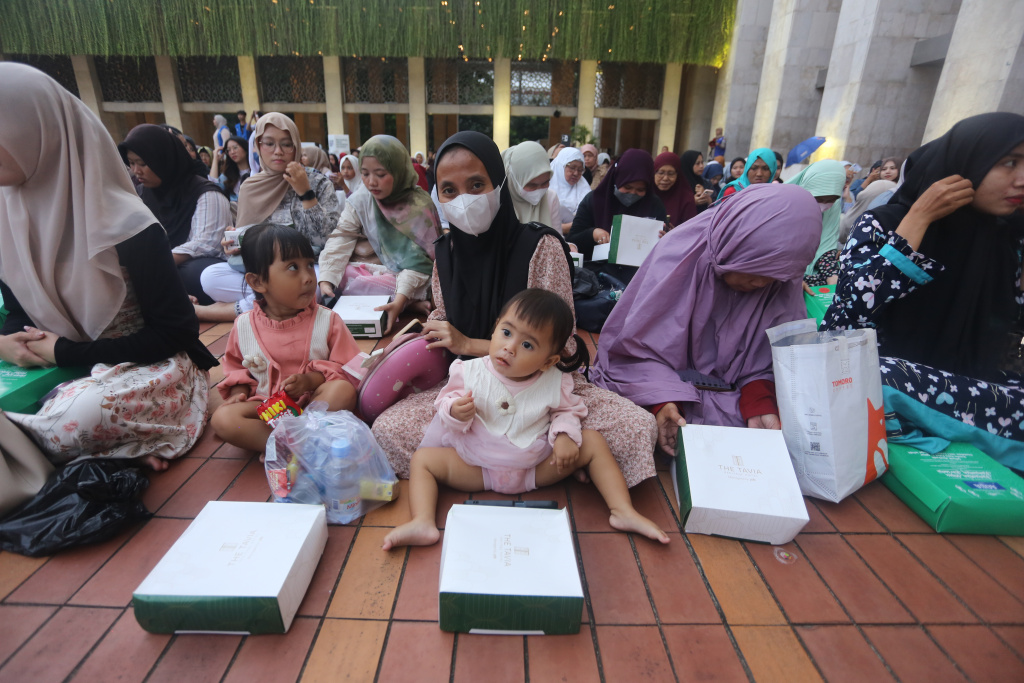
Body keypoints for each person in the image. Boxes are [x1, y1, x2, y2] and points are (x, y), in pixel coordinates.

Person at [370, 131, 658, 488]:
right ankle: (543, 465)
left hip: (544, 387)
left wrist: (469, 344)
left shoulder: (541, 247)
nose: (464, 200)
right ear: (438, 196)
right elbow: (444, 316)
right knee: (388, 431)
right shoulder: (446, 253)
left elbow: (564, 349)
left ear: (500, 183)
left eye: (477, 184)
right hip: (475, 389)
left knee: (636, 428)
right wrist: (431, 330)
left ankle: (480, 465)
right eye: (449, 190)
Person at [0, 63, 217, 470]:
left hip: (141, 369)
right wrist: (9, 341)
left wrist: (67, 352)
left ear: (36, 130)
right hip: (58, 366)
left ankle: (63, 444)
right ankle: (116, 448)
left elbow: (176, 332)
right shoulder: (5, 221)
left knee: (83, 415)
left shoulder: (126, 224)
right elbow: (16, 312)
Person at [381, 289, 670, 549]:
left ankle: (623, 511)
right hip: (476, 466)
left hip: (536, 467)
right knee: (424, 460)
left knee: (592, 441)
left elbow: (567, 411)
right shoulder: (468, 371)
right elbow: (443, 403)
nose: (510, 347)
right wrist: (455, 411)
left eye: (528, 345)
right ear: (495, 328)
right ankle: (422, 521)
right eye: (506, 333)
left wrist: (565, 436)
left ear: (549, 361)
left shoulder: (554, 381)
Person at [823, 112, 1024, 467]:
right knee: (874, 376)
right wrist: (918, 219)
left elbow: (1008, 342)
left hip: (974, 394)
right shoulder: (883, 224)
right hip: (884, 390)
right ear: (966, 163)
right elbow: (844, 323)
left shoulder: (1008, 240)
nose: (1021, 179)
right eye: (1009, 162)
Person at [592, 184, 822, 454]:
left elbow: (775, 360)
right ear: (733, 243)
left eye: (773, 278)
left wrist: (759, 401)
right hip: (661, 392)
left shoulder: (784, 279)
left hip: (737, 405)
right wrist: (662, 401)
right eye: (755, 269)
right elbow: (631, 351)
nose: (761, 284)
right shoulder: (677, 256)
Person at [211, 224, 359, 453]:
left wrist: (310, 381)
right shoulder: (243, 325)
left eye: (309, 265)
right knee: (223, 419)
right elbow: (236, 369)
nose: (308, 277)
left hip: (313, 406)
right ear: (258, 282)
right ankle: (295, 447)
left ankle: (285, 447)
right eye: (292, 267)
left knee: (342, 391)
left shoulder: (327, 320)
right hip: (266, 408)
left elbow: (348, 369)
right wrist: (237, 393)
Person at [197, 113, 341, 320]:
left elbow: (327, 240)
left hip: (305, 269)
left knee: (317, 284)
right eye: (269, 144)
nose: (278, 151)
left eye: (286, 144)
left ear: (296, 146)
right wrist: (232, 245)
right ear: (257, 146)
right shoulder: (251, 187)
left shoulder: (318, 182)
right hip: (264, 271)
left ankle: (217, 312)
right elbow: (245, 242)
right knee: (210, 277)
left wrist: (305, 193)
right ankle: (280, 303)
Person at [318, 135, 441, 332]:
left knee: (427, 285)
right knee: (342, 273)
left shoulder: (419, 206)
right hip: (383, 272)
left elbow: (422, 264)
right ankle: (409, 304)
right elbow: (341, 237)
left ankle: (403, 302)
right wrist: (327, 279)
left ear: (398, 171)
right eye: (365, 174)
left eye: (380, 174)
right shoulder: (361, 199)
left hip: (416, 277)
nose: (371, 182)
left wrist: (400, 298)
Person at [118, 124, 231, 305]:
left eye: (143, 163)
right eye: (131, 163)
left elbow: (206, 242)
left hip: (187, 266)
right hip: (154, 265)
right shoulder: (140, 195)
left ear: (164, 159)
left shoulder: (206, 193)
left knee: (196, 272)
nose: (136, 171)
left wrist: (156, 262)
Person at [569, 149, 668, 284]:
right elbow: (573, 240)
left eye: (640, 190)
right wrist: (593, 233)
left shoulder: (654, 205)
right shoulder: (594, 200)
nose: (632, 193)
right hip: (596, 278)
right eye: (627, 187)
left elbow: (663, 249)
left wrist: (664, 238)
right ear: (617, 179)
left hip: (640, 278)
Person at [783, 160, 847, 288]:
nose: (824, 205)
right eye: (819, 199)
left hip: (807, 274)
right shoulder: (783, 204)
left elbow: (825, 246)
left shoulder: (833, 208)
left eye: (831, 200)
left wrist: (832, 276)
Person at [501, 140, 561, 228]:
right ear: (515, 179)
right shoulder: (498, 202)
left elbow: (557, 234)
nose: (539, 190)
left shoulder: (550, 198)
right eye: (532, 185)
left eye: (545, 182)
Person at [550, 147, 591, 234]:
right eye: (572, 168)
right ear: (561, 165)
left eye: (580, 170)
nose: (576, 173)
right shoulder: (546, 184)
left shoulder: (584, 187)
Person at [652, 151, 697, 226]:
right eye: (661, 173)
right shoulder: (645, 194)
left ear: (677, 175)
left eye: (671, 174)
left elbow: (691, 228)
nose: (665, 178)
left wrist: (675, 231)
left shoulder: (686, 199)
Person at [209, 135, 251, 201]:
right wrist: (215, 160)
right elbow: (212, 187)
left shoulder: (257, 171)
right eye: (229, 150)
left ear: (245, 148)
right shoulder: (227, 175)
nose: (232, 152)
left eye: (235, 148)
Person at [680, 149, 713, 214]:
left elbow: (717, 203)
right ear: (689, 164)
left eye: (702, 162)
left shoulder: (706, 182)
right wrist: (692, 202)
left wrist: (708, 199)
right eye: (697, 163)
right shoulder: (680, 184)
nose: (701, 166)